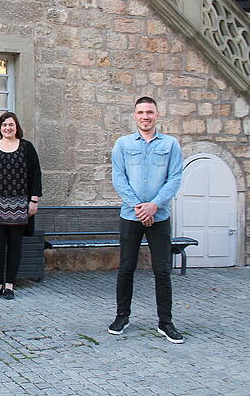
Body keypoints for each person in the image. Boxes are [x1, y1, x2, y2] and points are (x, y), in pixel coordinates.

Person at [108, 96, 184, 343]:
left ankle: (165, 322)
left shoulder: (171, 145)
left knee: (162, 270)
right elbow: (119, 178)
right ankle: (122, 316)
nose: (145, 116)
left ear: (157, 114)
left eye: (149, 112)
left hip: (159, 216)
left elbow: (174, 179)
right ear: (134, 115)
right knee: (126, 268)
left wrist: (154, 206)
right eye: (141, 112)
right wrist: (140, 208)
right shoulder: (122, 144)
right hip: (130, 215)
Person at [0, 111, 42, 301]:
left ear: (16, 127)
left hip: (20, 205)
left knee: (15, 246)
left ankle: (10, 285)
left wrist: (34, 200)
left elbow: (35, 174)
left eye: (11, 125)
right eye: (4, 125)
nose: (7, 128)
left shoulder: (26, 148)